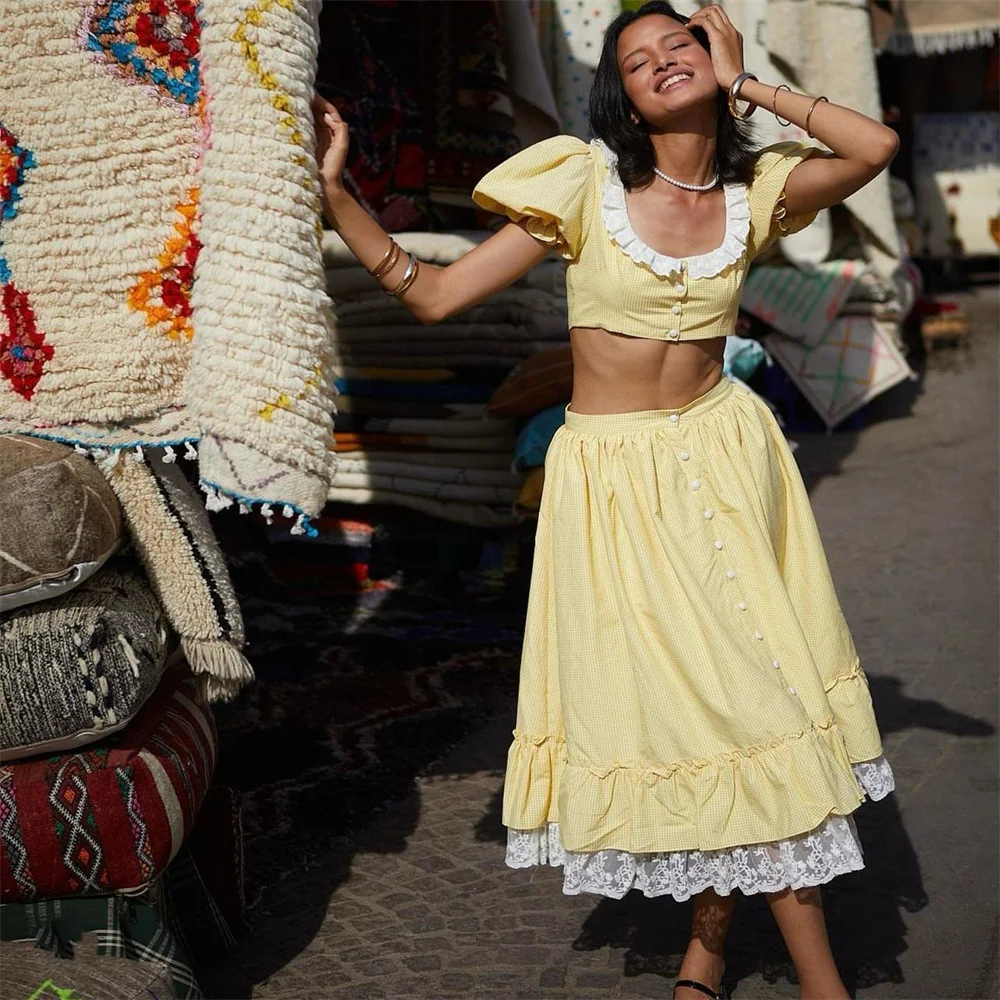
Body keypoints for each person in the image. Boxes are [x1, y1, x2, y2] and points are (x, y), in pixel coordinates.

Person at [312, 4, 897, 997]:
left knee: (754, 705)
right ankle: (729, 954)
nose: (661, 63)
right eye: (637, 61)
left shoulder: (760, 188)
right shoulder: (585, 185)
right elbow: (433, 294)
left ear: (714, 60)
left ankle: (772, 969)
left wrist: (750, 81)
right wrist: (338, 195)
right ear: (618, 94)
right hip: (614, 487)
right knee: (706, 710)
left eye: (679, 46)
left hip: (724, 460)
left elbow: (874, 143)